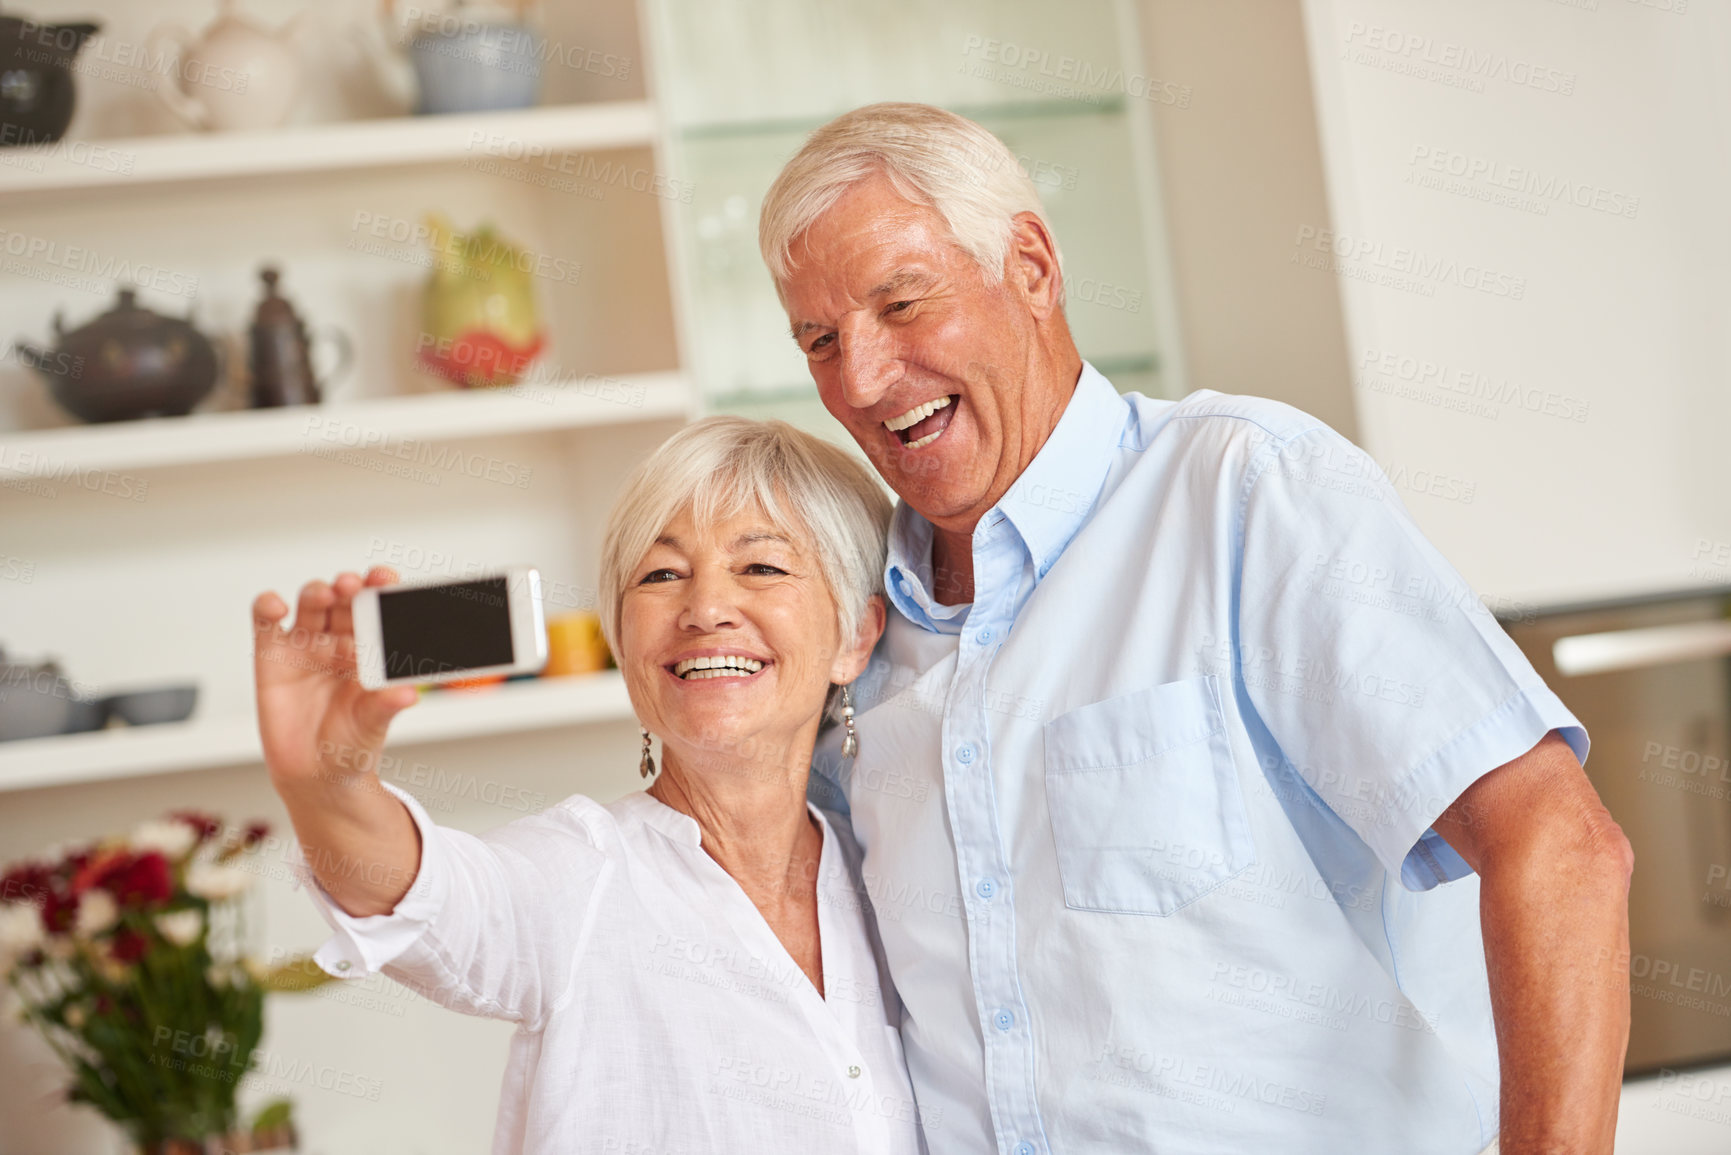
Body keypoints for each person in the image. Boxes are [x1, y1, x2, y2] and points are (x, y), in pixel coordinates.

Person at [759, 102, 1634, 1155]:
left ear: (1032, 267)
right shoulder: (847, 624)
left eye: (902, 304)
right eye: (820, 340)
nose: (857, 380)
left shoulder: (1244, 494)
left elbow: (1559, 846)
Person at [250, 417, 927, 1154]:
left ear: (855, 637)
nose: (703, 608)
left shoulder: (891, 879)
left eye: (760, 567)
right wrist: (328, 788)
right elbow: (433, 895)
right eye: (661, 574)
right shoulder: (580, 874)